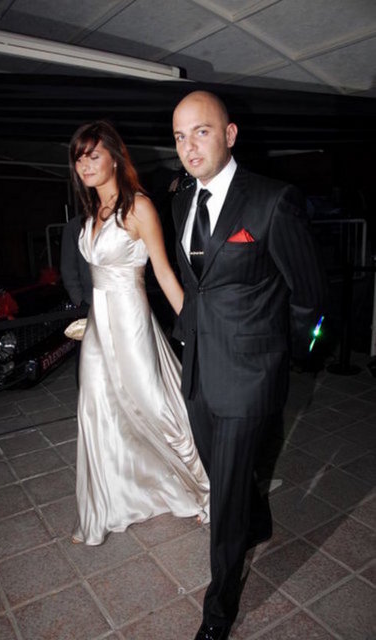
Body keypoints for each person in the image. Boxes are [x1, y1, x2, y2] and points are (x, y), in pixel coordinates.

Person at [171, 91, 326, 640]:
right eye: (180, 136)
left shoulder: (271, 200)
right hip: (199, 369)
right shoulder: (180, 200)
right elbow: (197, 285)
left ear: (230, 134)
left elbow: (310, 296)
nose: (190, 147)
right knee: (221, 472)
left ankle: (218, 612)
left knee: (226, 498)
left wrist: (289, 356)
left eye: (202, 131)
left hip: (249, 375)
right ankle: (258, 519)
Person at [68, 120, 209, 546]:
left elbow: (164, 273)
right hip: (99, 324)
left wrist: (198, 330)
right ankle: (105, 508)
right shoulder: (92, 213)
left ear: (114, 158)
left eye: (93, 155)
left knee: (155, 405)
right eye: (79, 158)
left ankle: (207, 484)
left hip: (130, 320)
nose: (85, 165)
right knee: (96, 409)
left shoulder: (139, 207)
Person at [60, 215, 93, 383]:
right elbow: (68, 266)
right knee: (89, 360)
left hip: (121, 301)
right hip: (88, 303)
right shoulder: (74, 226)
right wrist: (79, 300)